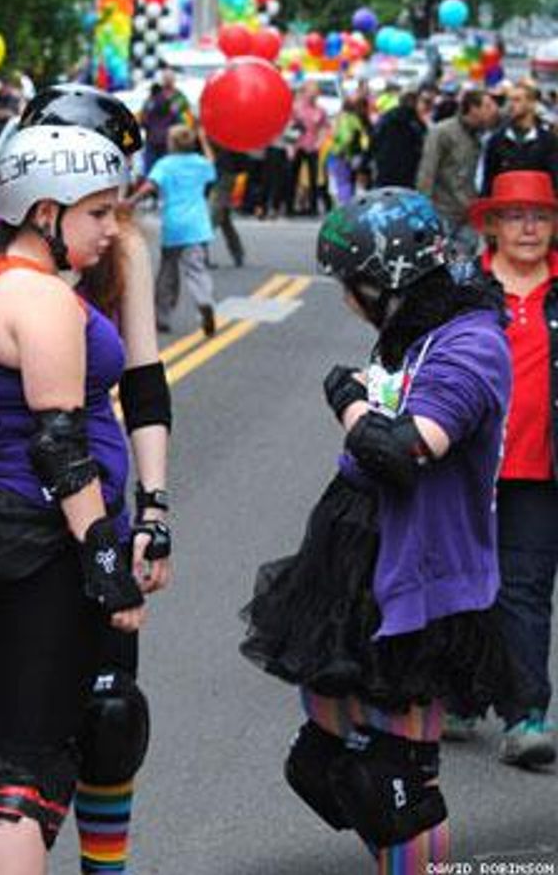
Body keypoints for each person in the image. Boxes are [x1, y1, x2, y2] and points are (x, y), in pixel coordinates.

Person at [0, 83, 173, 875]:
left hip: (9, 520)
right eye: (96, 205)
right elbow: (61, 447)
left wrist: (153, 508)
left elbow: (145, 381)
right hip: (52, 520)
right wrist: (105, 557)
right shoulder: (8, 264)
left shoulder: (84, 252)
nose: (109, 223)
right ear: (45, 200)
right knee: (24, 763)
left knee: (48, 732)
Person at [241, 188, 511, 874]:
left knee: (393, 783)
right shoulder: (418, 332)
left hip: (418, 572)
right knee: (324, 762)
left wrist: (351, 403)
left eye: (350, 285)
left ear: (385, 282)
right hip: (358, 560)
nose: (345, 300)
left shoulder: (470, 344)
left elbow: (406, 448)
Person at [445, 170, 558, 767]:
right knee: (464, 583)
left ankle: (527, 715)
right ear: (492, 225)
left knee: (523, 589)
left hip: (541, 470)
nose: (529, 228)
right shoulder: (466, 286)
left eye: (539, 217)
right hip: (466, 464)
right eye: (515, 217)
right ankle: (463, 696)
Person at [128, 124, 218, 335]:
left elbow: (150, 186)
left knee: (168, 273)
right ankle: (205, 301)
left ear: (172, 143)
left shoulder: (165, 165)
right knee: (197, 270)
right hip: (197, 226)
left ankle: (162, 316)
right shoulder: (200, 163)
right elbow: (212, 165)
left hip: (174, 225)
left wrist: (131, 201)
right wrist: (204, 141)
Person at [417, 89, 499, 256]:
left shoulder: (480, 137)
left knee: (464, 265)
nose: (494, 110)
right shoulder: (442, 132)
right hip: (443, 212)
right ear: (473, 109)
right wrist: (422, 211)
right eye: (488, 106)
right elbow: (427, 172)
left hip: (469, 213)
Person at [479, 79, 558, 195]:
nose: (511, 105)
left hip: (538, 207)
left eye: (517, 100)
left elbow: (555, 181)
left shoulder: (548, 141)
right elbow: (488, 183)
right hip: (505, 207)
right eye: (509, 100)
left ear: (532, 104)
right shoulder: (496, 141)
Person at [372, 90, 430, 188]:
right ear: (414, 103)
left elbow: (374, 139)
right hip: (408, 172)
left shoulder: (386, 117)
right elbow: (423, 143)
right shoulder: (414, 122)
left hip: (385, 170)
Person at [140, 65, 192, 174]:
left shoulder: (180, 98)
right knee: (151, 173)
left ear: (174, 80)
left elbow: (186, 122)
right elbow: (143, 118)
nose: (168, 80)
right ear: (162, 79)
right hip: (152, 143)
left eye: (170, 78)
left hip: (172, 144)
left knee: (169, 173)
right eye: (165, 78)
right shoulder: (152, 97)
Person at [291, 82, 329, 216]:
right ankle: (291, 206)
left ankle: (313, 207)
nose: (313, 94)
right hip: (298, 146)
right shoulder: (296, 108)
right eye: (311, 91)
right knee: (293, 177)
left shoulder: (320, 110)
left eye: (316, 92)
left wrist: (319, 142)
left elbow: (325, 127)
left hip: (313, 146)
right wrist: (290, 145)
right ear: (305, 92)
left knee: (314, 178)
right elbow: (290, 126)